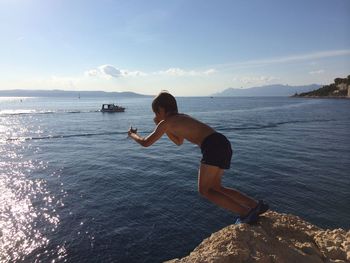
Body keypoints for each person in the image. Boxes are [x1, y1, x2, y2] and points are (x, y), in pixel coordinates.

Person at [128, 91, 269, 224]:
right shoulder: (180, 118)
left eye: (156, 112)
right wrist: (161, 126)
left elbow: (146, 142)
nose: (156, 115)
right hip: (222, 142)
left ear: (161, 109)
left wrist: (132, 135)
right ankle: (255, 205)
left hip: (212, 146)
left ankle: (246, 213)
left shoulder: (166, 123)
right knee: (216, 187)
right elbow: (179, 142)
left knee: (205, 190)